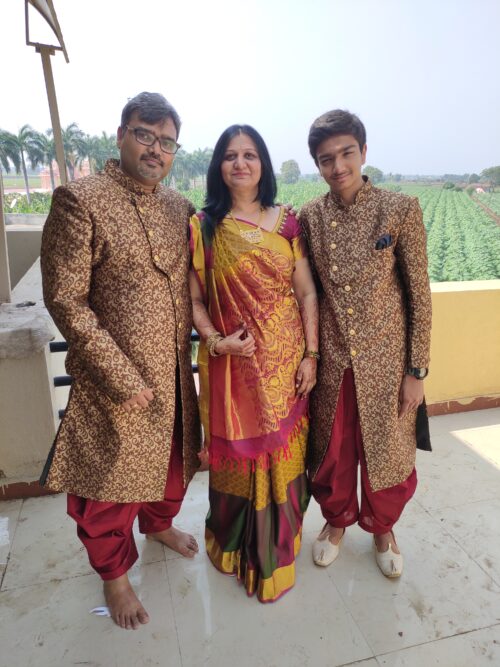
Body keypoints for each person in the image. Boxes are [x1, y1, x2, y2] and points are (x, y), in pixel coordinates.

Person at [40, 92, 201, 629]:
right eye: (145, 135)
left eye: (168, 142)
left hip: (174, 378)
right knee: (108, 489)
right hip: (116, 383)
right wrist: (120, 376)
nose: (157, 149)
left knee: (172, 469)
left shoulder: (180, 208)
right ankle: (114, 578)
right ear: (121, 135)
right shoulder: (79, 199)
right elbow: (65, 298)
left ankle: (157, 526)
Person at [299, 109, 432, 578]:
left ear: (363, 151)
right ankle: (335, 524)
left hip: (388, 362)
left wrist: (417, 372)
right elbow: (305, 291)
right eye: (325, 159)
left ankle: (382, 527)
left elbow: (420, 296)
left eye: (345, 153)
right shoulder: (310, 218)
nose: (337, 166)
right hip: (333, 363)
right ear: (317, 165)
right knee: (333, 455)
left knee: (389, 452)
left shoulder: (398, 209)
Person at [189, 125, 319, 602]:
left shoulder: (288, 222)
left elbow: (306, 292)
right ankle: (232, 549)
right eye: (229, 156)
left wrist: (312, 355)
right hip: (232, 373)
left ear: (263, 164)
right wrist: (217, 342)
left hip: (286, 371)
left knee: (285, 461)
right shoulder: (204, 227)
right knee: (238, 466)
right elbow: (196, 301)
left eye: (249, 154)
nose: (239, 163)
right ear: (217, 167)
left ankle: (276, 552)